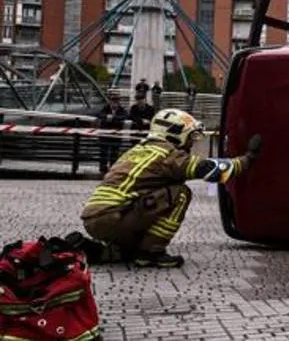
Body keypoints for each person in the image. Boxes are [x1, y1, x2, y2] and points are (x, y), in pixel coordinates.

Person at [80, 108, 261, 268]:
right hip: (115, 217)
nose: (191, 144)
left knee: (157, 197)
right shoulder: (168, 155)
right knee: (180, 194)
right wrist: (249, 158)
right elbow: (213, 171)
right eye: (189, 137)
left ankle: (105, 250)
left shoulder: (137, 150)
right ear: (175, 134)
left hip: (94, 217)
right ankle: (152, 253)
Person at [97, 93, 127, 173]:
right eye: (113, 101)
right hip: (105, 135)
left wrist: (113, 118)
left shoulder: (121, 109)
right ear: (110, 102)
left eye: (116, 102)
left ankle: (113, 169)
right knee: (104, 152)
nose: (114, 104)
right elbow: (99, 114)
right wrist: (106, 116)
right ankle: (103, 169)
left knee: (115, 153)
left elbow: (125, 116)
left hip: (116, 136)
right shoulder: (105, 108)